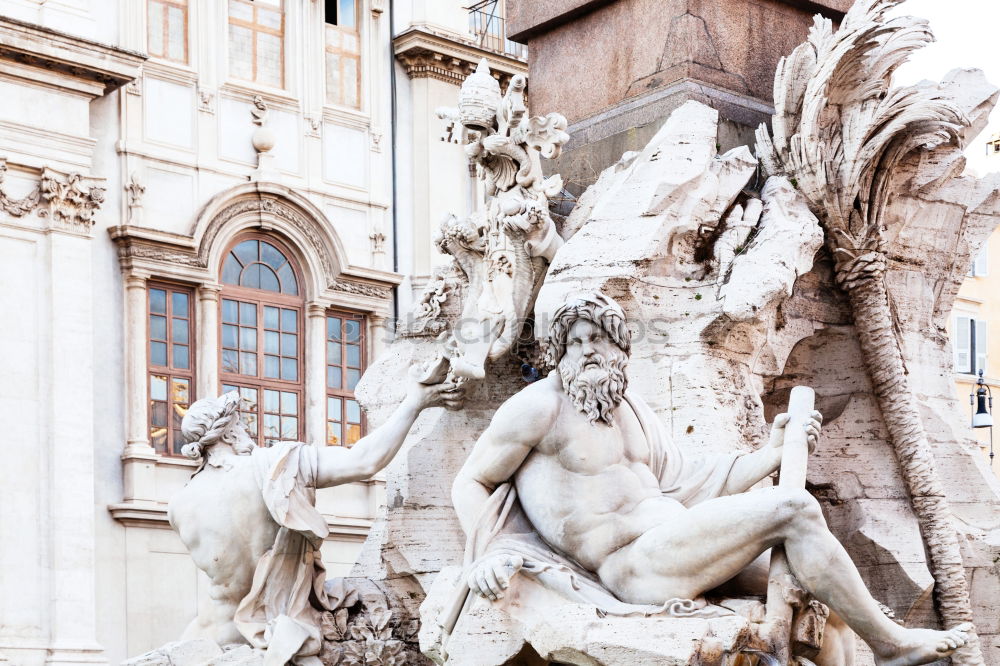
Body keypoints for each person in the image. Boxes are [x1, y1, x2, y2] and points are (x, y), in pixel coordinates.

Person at [451, 292, 971, 666]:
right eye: (575, 343)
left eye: (600, 340)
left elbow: (695, 483)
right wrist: (491, 552)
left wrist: (772, 453)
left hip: (678, 543)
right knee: (792, 510)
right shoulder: (537, 408)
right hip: (632, 568)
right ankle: (892, 645)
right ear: (559, 355)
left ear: (621, 351)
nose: (587, 350)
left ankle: (869, 651)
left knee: (825, 603)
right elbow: (471, 481)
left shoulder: (631, 409)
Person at [169, 371, 463, 666]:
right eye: (242, 425)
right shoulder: (275, 466)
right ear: (229, 434)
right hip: (274, 635)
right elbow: (364, 461)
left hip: (207, 639)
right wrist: (415, 402)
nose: (248, 432)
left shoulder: (179, 503)